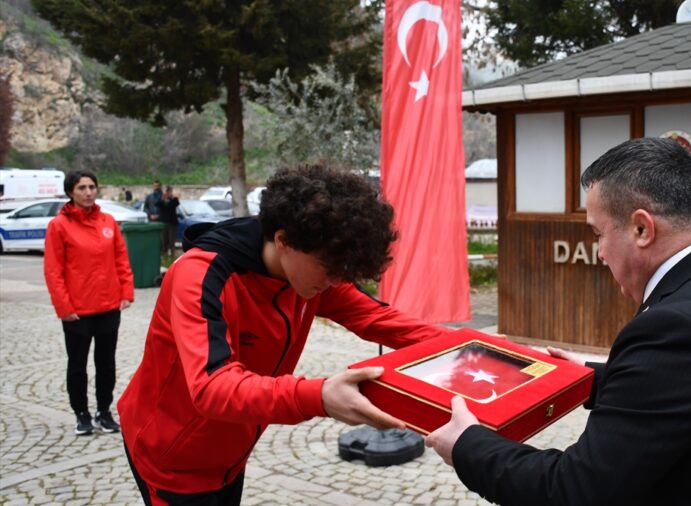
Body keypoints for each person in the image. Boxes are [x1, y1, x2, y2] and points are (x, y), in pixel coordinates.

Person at [426, 137, 691, 505]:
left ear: (642, 228)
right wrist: (590, 377)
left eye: (598, 234)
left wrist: (467, 445)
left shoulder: (675, 328)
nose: (598, 253)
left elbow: (574, 489)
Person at [118, 164, 450, 505]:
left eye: (344, 270)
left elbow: (379, 319)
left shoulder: (311, 272)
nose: (337, 280)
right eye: (330, 267)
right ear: (283, 240)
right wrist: (318, 396)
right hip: (172, 458)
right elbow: (211, 386)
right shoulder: (200, 274)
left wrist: (477, 349)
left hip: (229, 452)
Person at [43, 170, 134, 436]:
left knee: (106, 363)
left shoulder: (108, 221)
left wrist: (126, 292)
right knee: (78, 364)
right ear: (70, 191)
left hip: (108, 307)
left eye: (92, 187)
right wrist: (64, 307)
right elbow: (53, 270)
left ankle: (104, 411)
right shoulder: (59, 226)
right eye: (82, 187)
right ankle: (81, 413)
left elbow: (121, 259)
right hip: (77, 311)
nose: (88, 192)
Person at [158, 185, 179, 257]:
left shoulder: (174, 199)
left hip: (172, 223)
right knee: (164, 240)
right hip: (163, 222)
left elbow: (175, 204)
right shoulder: (161, 199)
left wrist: (171, 197)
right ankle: (165, 255)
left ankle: (172, 256)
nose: (167, 193)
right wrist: (162, 199)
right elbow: (158, 204)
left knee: (171, 240)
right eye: (166, 191)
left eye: (169, 191)